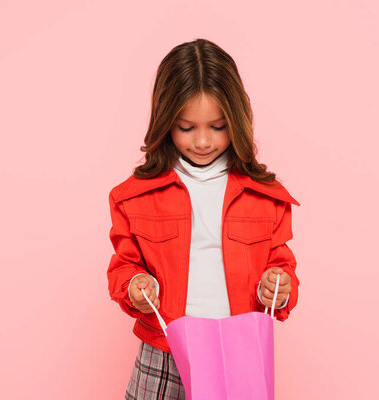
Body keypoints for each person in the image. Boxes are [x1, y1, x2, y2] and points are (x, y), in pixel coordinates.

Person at [106, 38, 301, 400]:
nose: (202, 141)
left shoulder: (264, 195)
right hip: (163, 349)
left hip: (237, 352)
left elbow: (280, 264)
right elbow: (124, 264)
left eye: (217, 126)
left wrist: (276, 284)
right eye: (185, 127)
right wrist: (135, 282)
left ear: (237, 119)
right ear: (165, 121)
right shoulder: (134, 196)